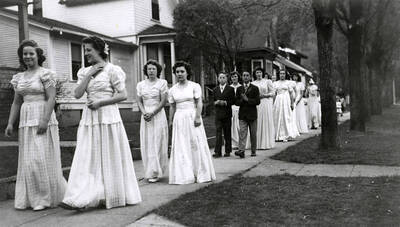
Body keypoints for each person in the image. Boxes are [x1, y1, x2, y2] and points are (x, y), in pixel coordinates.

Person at [60, 36, 141, 210]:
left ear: (99, 50)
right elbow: (77, 94)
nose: (86, 53)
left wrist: (100, 103)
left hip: (108, 116)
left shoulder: (113, 70)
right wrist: (89, 74)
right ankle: (85, 195)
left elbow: (123, 95)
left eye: (89, 50)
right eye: (84, 50)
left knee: (109, 153)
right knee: (89, 155)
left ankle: (113, 193)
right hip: (90, 118)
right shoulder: (83, 71)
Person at [5, 40, 66, 211]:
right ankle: (32, 198)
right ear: (21, 57)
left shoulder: (46, 74)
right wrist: (10, 123)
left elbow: (51, 98)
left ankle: (44, 199)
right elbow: (16, 103)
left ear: (38, 55)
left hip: (42, 116)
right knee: (29, 161)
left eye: (31, 53)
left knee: (40, 159)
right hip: (26, 120)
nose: (28, 56)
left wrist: (44, 120)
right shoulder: (19, 78)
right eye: (25, 54)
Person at [168, 61, 216, 184]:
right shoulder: (172, 89)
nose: (179, 74)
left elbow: (199, 102)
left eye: (182, 71)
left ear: (187, 72)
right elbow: (172, 107)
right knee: (182, 145)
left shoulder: (194, 86)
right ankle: (184, 174)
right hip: (179, 118)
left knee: (195, 143)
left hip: (191, 115)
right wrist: (171, 121)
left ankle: (200, 172)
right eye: (177, 72)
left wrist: (198, 117)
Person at [136, 60, 168, 183]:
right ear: (146, 71)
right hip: (146, 116)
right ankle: (149, 171)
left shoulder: (162, 83)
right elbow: (139, 100)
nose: (151, 71)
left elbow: (163, 101)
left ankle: (156, 171)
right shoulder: (140, 85)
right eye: (149, 69)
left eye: (153, 69)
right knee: (147, 141)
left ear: (157, 70)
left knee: (157, 141)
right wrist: (144, 112)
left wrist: (153, 113)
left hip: (158, 114)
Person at [235, 71, 260, 158]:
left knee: (253, 134)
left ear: (250, 77)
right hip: (242, 115)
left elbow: (258, 101)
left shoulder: (255, 88)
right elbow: (236, 102)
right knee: (242, 133)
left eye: (247, 75)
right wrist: (242, 100)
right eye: (244, 75)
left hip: (252, 115)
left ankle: (253, 151)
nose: (245, 77)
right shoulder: (239, 89)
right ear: (242, 77)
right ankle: (241, 151)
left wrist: (247, 100)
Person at [248, 68, 275, 149]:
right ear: (255, 74)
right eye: (257, 72)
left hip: (265, 103)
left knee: (265, 121)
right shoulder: (252, 83)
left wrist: (265, 95)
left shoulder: (267, 81)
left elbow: (273, 92)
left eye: (260, 72)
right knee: (256, 122)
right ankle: (255, 143)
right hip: (256, 104)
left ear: (262, 73)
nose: (259, 74)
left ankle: (265, 143)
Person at [212, 72, 235, 157]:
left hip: (227, 114)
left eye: (223, 77)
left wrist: (225, 102)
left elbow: (233, 101)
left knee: (227, 132)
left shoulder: (230, 89)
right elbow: (212, 101)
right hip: (218, 114)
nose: (222, 79)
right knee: (218, 132)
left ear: (226, 79)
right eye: (220, 77)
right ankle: (217, 151)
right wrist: (216, 102)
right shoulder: (215, 90)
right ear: (218, 79)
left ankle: (228, 151)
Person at [273, 69, 296, 142]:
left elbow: (291, 94)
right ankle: (278, 135)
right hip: (278, 100)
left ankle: (286, 134)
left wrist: (292, 103)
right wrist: (273, 103)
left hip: (286, 100)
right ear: (278, 75)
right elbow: (274, 94)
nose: (282, 75)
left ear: (285, 75)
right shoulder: (275, 83)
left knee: (286, 116)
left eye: (283, 73)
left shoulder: (288, 83)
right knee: (277, 116)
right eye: (280, 74)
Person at [230, 71, 241, 149]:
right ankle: (234, 143)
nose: (234, 78)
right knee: (232, 126)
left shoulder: (241, 87)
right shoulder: (229, 87)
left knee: (239, 126)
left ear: (238, 77)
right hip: (231, 108)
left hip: (240, 108)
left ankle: (241, 142)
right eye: (233, 77)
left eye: (235, 76)